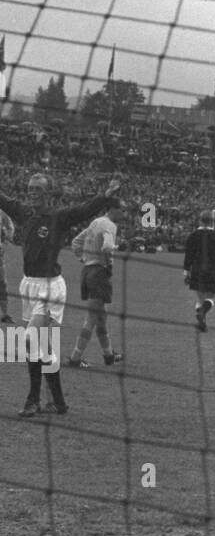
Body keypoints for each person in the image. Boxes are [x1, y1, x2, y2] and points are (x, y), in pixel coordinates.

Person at [0, 172, 121, 419]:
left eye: (37, 189)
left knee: (30, 339)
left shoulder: (58, 217)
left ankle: (33, 399)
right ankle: (58, 402)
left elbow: (83, 210)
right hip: (29, 286)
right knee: (43, 345)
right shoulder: (24, 212)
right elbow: (3, 200)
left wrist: (105, 196)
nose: (32, 192)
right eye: (30, 188)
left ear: (48, 193)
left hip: (50, 287)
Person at [66, 206, 124, 368]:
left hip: (87, 272)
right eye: (123, 210)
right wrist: (111, 258)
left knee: (101, 316)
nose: (124, 214)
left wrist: (83, 259)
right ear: (114, 209)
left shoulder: (95, 222)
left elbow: (76, 242)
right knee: (92, 317)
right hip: (99, 273)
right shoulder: (110, 225)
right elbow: (106, 247)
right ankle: (75, 358)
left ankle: (109, 355)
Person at [183, 211, 215, 331]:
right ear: (212, 221)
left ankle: (202, 321)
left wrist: (186, 272)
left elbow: (188, 255)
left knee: (200, 299)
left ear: (200, 220)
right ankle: (202, 315)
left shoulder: (193, 236)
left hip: (196, 269)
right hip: (211, 269)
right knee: (211, 296)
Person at [0, 209, 15, 325]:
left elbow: (10, 227)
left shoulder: (2, 213)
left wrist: (5, 243)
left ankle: (4, 314)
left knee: (3, 285)